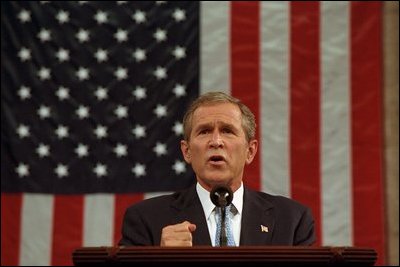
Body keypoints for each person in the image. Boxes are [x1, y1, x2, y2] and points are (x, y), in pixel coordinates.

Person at [119, 92, 315, 247]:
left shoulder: (292, 220)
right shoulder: (146, 219)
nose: (216, 141)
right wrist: (158, 260)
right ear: (186, 151)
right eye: (204, 131)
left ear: (250, 150)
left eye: (227, 131)